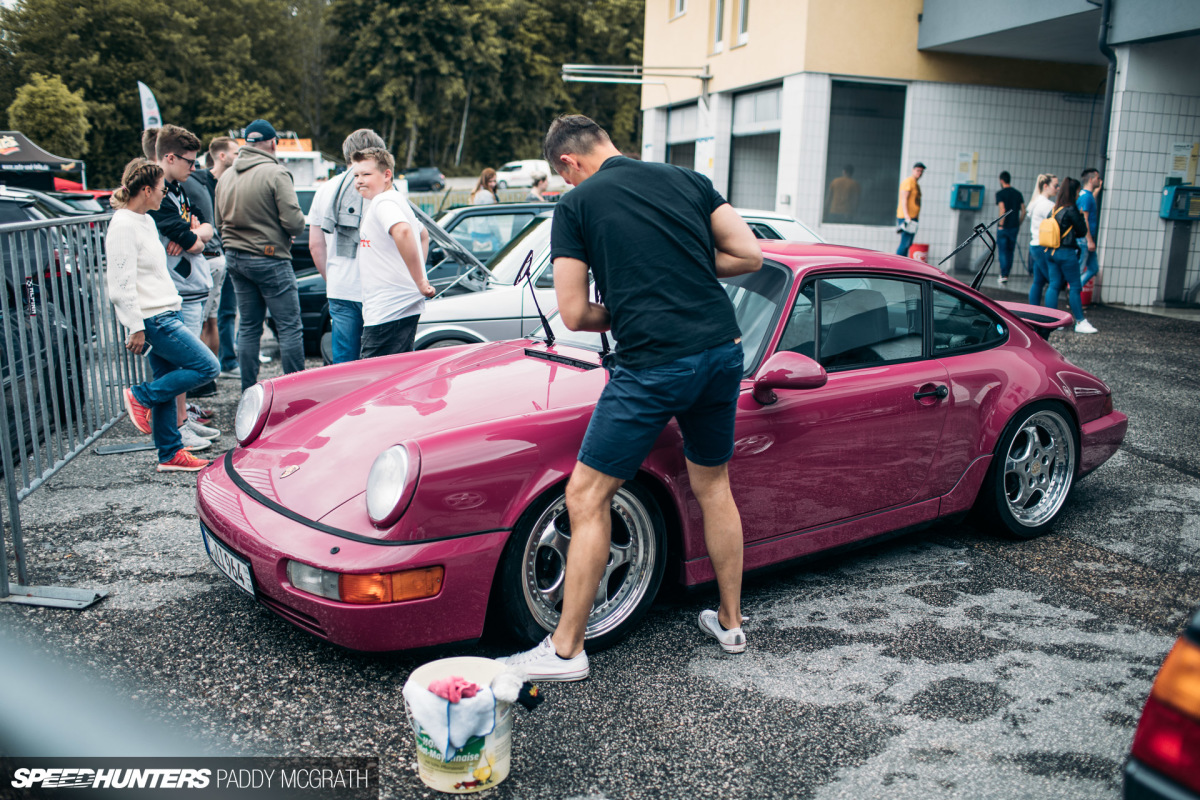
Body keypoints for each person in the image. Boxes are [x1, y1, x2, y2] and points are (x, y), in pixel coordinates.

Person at [498, 115, 763, 682]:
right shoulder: (686, 179)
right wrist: (683, 269)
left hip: (655, 363)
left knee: (587, 495)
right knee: (713, 484)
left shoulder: (576, 205)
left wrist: (635, 302)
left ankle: (566, 651)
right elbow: (748, 255)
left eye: (564, 177)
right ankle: (732, 622)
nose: (569, 186)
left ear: (567, 163)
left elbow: (574, 313)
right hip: (722, 350)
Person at [105, 158, 220, 473]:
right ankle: (141, 396)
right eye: (159, 190)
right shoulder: (124, 225)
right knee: (208, 366)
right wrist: (135, 326)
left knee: (168, 385)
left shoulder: (143, 219)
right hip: (155, 318)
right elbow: (120, 284)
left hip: (166, 310)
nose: (163, 195)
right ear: (145, 190)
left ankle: (170, 454)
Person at [214, 119, 306, 391]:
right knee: (289, 327)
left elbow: (219, 222)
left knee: (249, 327)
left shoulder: (226, 176)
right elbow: (295, 222)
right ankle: (296, 392)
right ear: (272, 142)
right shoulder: (276, 173)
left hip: (235, 258)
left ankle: (249, 392)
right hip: (270, 258)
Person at [143, 125, 219, 448]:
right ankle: (173, 422)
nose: (194, 168)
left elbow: (205, 227)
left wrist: (194, 236)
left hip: (190, 286)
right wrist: (192, 237)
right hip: (178, 290)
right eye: (189, 161)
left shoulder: (178, 189)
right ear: (169, 157)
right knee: (191, 364)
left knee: (182, 363)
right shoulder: (159, 195)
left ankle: (181, 420)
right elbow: (193, 239)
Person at [309, 129, 387, 363]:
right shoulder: (384, 188)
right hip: (380, 288)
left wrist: (331, 277)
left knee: (344, 363)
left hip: (341, 286)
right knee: (382, 362)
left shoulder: (325, 190)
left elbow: (315, 244)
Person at [351, 147, 434, 358]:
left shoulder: (383, 202)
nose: (359, 180)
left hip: (387, 312)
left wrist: (420, 282)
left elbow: (404, 231)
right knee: (395, 379)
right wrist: (417, 278)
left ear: (386, 175)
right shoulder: (394, 199)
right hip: (397, 307)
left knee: (375, 382)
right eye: (356, 175)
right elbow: (423, 234)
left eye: (366, 174)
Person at [205, 136, 242, 379]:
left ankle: (227, 360)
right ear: (222, 156)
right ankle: (212, 366)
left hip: (230, 254)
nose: (238, 157)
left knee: (228, 311)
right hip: (211, 258)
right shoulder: (203, 182)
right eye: (235, 153)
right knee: (208, 315)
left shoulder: (233, 181)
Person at [1043, 177, 1098, 334]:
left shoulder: (1054, 210)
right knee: (1074, 286)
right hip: (1066, 253)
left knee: (1053, 285)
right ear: (1073, 192)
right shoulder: (1071, 210)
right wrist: (1080, 216)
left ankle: (1053, 320)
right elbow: (1081, 231)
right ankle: (1080, 321)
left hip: (1050, 251)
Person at [1026, 173, 1058, 306]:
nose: (1058, 188)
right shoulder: (1047, 205)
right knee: (1054, 282)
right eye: (1055, 185)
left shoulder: (1035, 202)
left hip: (1035, 245)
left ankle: (1033, 312)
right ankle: (1052, 316)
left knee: (1038, 281)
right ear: (1045, 186)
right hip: (1044, 246)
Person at [995, 170, 1026, 284]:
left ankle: (1003, 275)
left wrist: (1001, 224)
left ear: (1001, 180)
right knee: (1010, 251)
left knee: (1002, 251)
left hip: (1004, 227)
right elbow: (1023, 211)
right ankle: (1006, 273)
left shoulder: (1000, 194)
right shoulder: (1018, 194)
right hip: (1014, 227)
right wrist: (1019, 223)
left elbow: (1002, 209)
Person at [1077, 168, 1103, 291]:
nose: (1100, 180)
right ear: (1091, 180)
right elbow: (1085, 219)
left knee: (1093, 268)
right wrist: (1090, 240)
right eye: (1098, 178)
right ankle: (1074, 291)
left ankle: (1075, 290)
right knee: (1081, 269)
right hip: (1085, 239)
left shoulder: (1085, 195)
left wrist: (1097, 190)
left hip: (1085, 238)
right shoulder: (1086, 197)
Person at [896, 162, 924, 256]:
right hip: (907, 218)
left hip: (913, 218)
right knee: (905, 243)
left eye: (921, 171)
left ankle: (902, 264)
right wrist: (907, 217)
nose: (919, 173)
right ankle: (898, 264)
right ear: (913, 170)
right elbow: (904, 199)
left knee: (908, 243)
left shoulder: (916, 184)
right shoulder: (908, 182)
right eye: (918, 170)